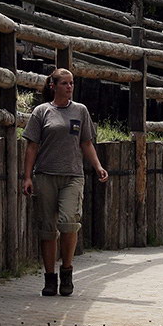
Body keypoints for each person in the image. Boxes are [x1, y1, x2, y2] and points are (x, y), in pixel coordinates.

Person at [22, 68, 108, 296]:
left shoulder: (80, 111)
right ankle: (50, 278)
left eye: (72, 84)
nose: (69, 87)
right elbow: (32, 146)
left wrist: (98, 166)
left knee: (69, 222)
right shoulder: (42, 112)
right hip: (45, 176)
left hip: (73, 176)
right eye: (65, 83)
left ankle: (67, 271)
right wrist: (28, 176)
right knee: (48, 229)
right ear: (53, 85)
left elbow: (86, 143)